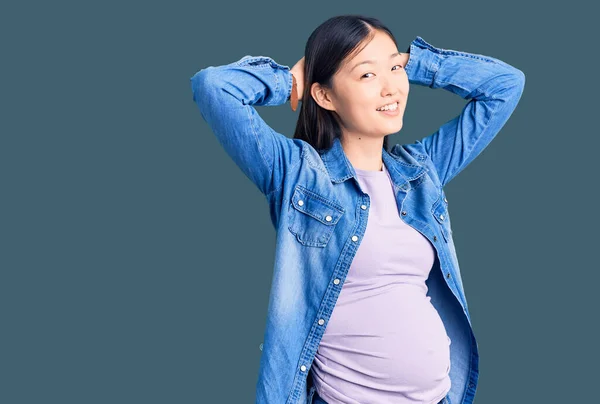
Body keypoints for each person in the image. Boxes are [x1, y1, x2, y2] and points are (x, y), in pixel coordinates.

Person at [190, 14, 524, 404]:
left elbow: (505, 85)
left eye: (394, 70)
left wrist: (415, 64)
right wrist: (291, 82)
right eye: (367, 76)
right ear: (325, 96)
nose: (390, 89)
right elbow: (213, 87)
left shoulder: (421, 172)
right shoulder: (297, 173)